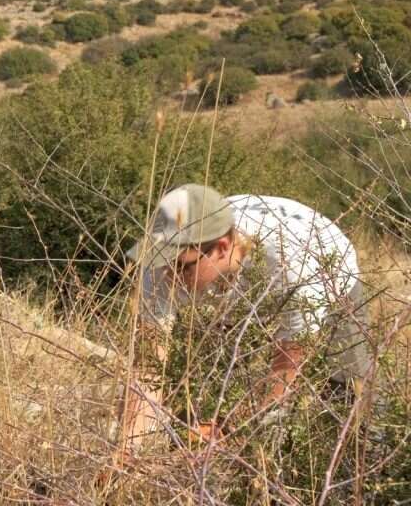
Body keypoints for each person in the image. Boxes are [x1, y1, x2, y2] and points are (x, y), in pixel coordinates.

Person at [121, 183, 371, 450]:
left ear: (222, 247)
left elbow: (287, 368)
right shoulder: (163, 262)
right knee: (205, 388)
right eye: (163, 261)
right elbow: (148, 366)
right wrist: (128, 448)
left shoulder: (294, 268)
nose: (168, 275)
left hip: (329, 274)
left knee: (349, 395)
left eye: (180, 265)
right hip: (236, 286)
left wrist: (226, 430)